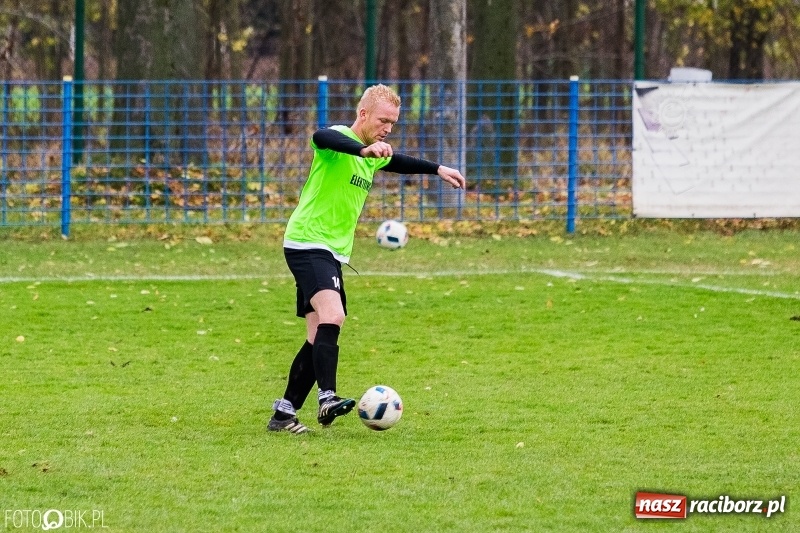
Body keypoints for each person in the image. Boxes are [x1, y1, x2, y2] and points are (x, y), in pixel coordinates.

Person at [268, 84, 466, 434]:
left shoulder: (375, 154)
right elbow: (322, 135)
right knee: (334, 315)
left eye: (393, 123)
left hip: (330, 250)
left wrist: (438, 169)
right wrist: (364, 147)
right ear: (363, 114)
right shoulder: (339, 142)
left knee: (318, 336)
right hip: (308, 242)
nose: (388, 128)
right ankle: (327, 398)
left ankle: (284, 413)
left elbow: (400, 162)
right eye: (383, 120)